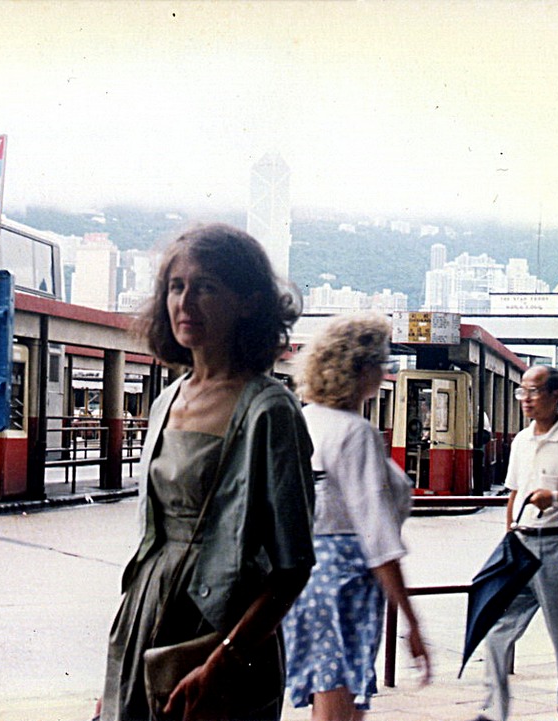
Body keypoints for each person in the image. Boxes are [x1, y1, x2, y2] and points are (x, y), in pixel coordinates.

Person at [98, 223, 316, 721]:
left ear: (249, 301)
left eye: (206, 287)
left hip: (222, 631)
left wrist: (221, 664)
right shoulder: (165, 402)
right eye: (176, 287)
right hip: (146, 612)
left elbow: (293, 566)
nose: (185, 302)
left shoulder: (270, 412)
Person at [283, 314, 431, 721]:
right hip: (346, 580)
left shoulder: (302, 420)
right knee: (341, 702)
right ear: (361, 369)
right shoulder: (355, 432)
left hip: (303, 574)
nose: (384, 372)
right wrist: (411, 620)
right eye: (381, 363)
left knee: (327, 694)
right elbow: (377, 534)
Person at [472, 365, 558, 721]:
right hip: (520, 549)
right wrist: (509, 538)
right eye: (522, 392)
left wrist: (556, 498)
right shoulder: (522, 440)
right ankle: (493, 712)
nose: (526, 399)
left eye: (533, 392)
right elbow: (515, 493)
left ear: (555, 395)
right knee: (496, 631)